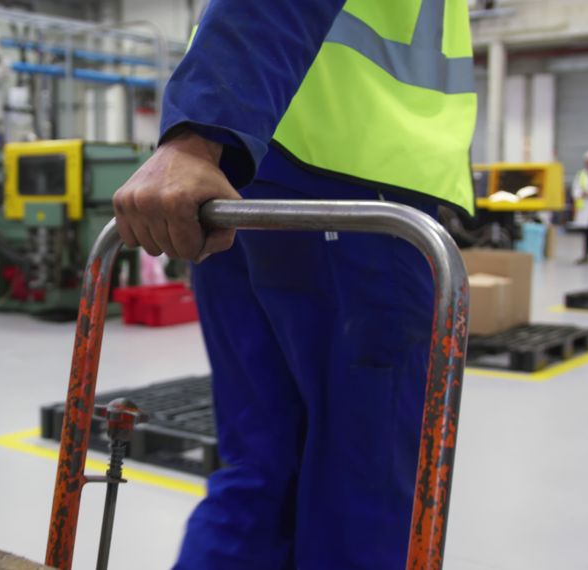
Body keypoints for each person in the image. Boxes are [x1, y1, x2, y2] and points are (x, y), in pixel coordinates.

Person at [111, 1, 476, 568]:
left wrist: (208, 140)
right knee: (363, 487)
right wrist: (199, 136)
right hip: (357, 190)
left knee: (259, 473)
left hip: (241, 181)